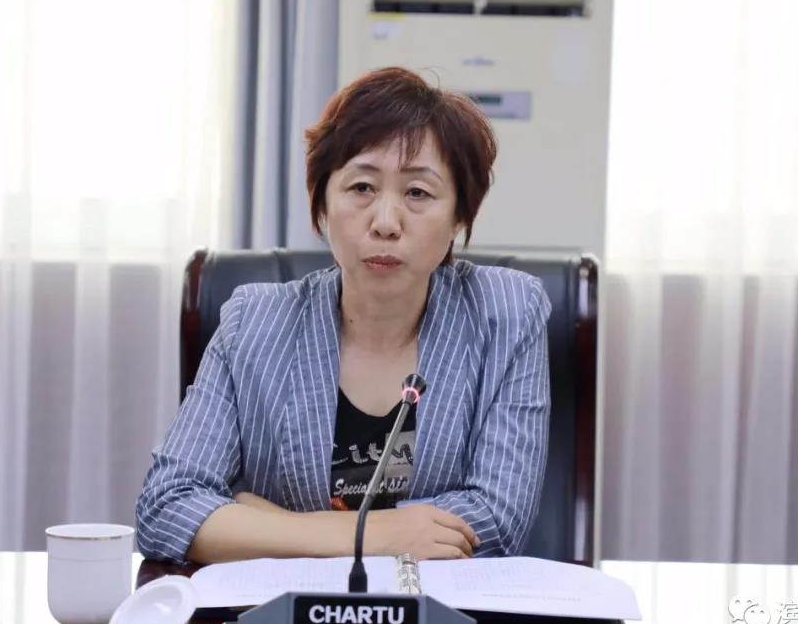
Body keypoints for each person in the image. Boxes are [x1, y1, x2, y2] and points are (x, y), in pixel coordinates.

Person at [136, 67, 551, 564]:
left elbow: (497, 521)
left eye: (418, 193)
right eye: (361, 187)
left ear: (460, 215)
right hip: (285, 611)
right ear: (321, 206)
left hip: (440, 609)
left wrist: (265, 523)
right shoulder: (254, 323)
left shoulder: (507, 314)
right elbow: (167, 508)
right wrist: (374, 536)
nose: (386, 223)